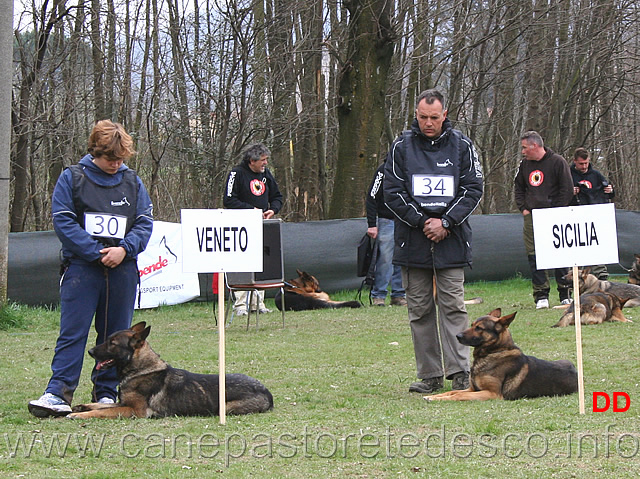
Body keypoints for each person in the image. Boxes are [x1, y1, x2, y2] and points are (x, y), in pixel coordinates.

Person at [28, 120, 154, 417]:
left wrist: (124, 249)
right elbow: (63, 221)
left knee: (114, 336)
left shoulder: (133, 181)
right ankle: (57, 393)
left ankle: (108, 393)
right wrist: (96, 253)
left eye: (121, 159)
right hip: (82, 270)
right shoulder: (72, 178)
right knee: (73, 332)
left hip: (123, 270)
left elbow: (145, 223)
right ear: (95, 151)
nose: (116, 164)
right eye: (111, 159)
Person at [384, 89, 483, 394]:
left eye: (434, 117)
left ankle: (461, 371)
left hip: (451, 241)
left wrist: (446, 222)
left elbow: (473, 189)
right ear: (416, 114)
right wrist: (422, 221)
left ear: (445, 114)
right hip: (412, 242)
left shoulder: (462, 145)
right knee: (420, 310)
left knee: (453, 306)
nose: (428, 123)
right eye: (423, 117)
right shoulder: (401, 145)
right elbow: (392, 191)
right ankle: (430, 375)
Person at [514, 131, 573, 309]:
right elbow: (519, 187)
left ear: (535, 146)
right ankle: (541, 295)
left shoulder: (557, 162)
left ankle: (564, 293)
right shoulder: (525, 165)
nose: (523, 151)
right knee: (534, 255)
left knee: (559, 253)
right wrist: (523, 208)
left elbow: (567, 189)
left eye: (525, 148)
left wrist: (556, 210)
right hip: (532, 216)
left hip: (554, 216)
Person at [223, 143, 283, 316]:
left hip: (262, 226)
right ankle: (241, 305)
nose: (265, 163)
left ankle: (258, 303)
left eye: (266, 160)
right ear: (252, 161)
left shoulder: (266, 175)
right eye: (263, 160)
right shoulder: (237, 173)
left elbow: (277, 196)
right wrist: (251, 210)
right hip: (241, 227)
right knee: (242, 263)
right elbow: (228, 200)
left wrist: (274, 209)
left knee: (261, 262)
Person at [569, 147, 615, 279]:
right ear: (574, 162)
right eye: (581, 164)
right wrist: (570, 193)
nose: (584, 166)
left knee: (596, 245)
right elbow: (558, 195)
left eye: (586, 163)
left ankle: (601, 275)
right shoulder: (568, 175)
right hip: (575, 216)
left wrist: (610, 190)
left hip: (594, 216)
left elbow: (609, 192)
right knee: (579, 248)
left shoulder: (596, 175)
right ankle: (577, 277)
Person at [366, 162, 406, 306]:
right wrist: (372, 224)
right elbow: (372, 196)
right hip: (387, 220)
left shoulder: (413, 167)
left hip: (407, 221)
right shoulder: (383, 170)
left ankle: (399, 295)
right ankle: (379, 296)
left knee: (403, 259)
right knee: (385, 259)